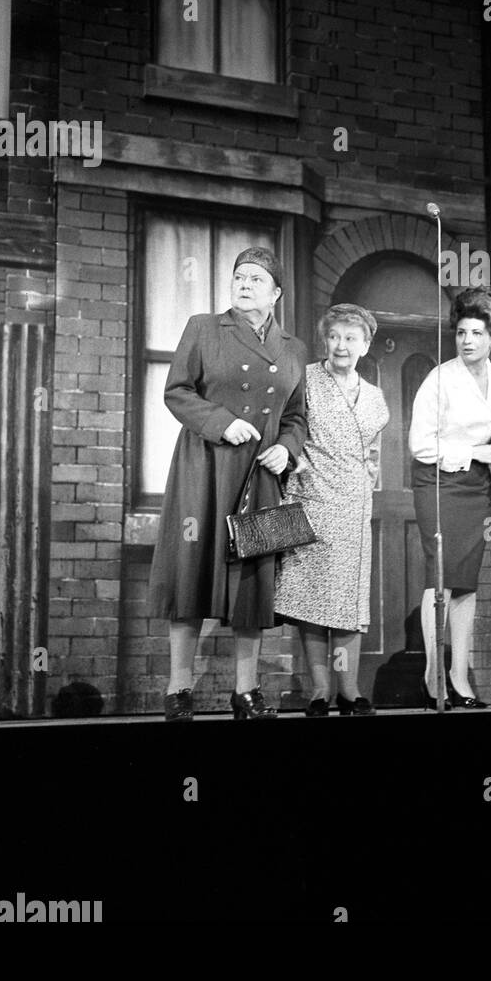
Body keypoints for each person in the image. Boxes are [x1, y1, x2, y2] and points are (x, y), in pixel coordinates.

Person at [149, 247, 308, 720]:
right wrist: (221, 422)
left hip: (259, 474)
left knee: (251, 585)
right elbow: (177, 391)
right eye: (239, 276)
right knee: (191, 574)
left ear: (276, 293)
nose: (244, 284)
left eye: (256, 279)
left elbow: (296, 415)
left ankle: (246, 691)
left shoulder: (293, 348)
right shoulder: (203, 327)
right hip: (204, 469)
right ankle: (179, 689)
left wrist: (288, 449)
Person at [272, 303, 389, 716]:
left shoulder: (374, 396)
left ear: (365, 345)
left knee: (347, 603)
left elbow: (373, 454)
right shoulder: (304, 379)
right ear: (325, 340)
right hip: (310, 501)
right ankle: (320, 691)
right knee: (311, 601)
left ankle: (350, 691)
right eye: (335, 336)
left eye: (351, 338)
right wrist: (295, 463)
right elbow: (285, 429)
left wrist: (365, 481)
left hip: (353, 509)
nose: (341, 345)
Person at [408, 286, 491, 708]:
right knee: (442, 579)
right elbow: (420, 444)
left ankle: (460, 676)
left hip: (478, 488)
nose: (467, 341)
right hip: (439, 484)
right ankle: (434, 676)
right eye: (462, 332)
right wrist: (473, 452)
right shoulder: (440, 379)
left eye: (477, 333)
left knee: (466, 584)